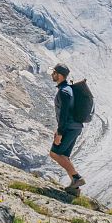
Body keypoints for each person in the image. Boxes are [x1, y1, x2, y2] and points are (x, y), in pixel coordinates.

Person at [48, 64, 85, 193]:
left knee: (54, 153)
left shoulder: (64, 92)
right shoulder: (67, 89)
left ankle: (77, 177)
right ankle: (75, 189)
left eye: (54, 72)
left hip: (69, 128)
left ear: (59, 75)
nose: (52, 75)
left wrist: (60, 132)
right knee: (64, 156)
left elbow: (64, 114)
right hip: (75, 127)